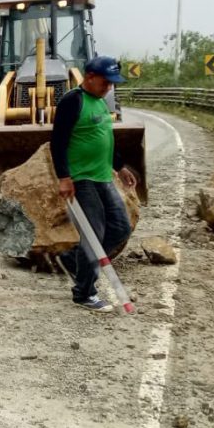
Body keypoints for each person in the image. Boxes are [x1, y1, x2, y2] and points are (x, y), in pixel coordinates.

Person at [51, 56, 138, 312]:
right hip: (82, 179)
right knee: (94, 235)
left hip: (103, 177)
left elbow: (105, 138)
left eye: (112, 83)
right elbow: (58, 142)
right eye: (105, 82)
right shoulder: (73, 101)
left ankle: (73, 260)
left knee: (120, 228)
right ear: (89, 77)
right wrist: (64, 177)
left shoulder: (100, 102)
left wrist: (120, 167)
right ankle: (84, 293)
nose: (109, 87)